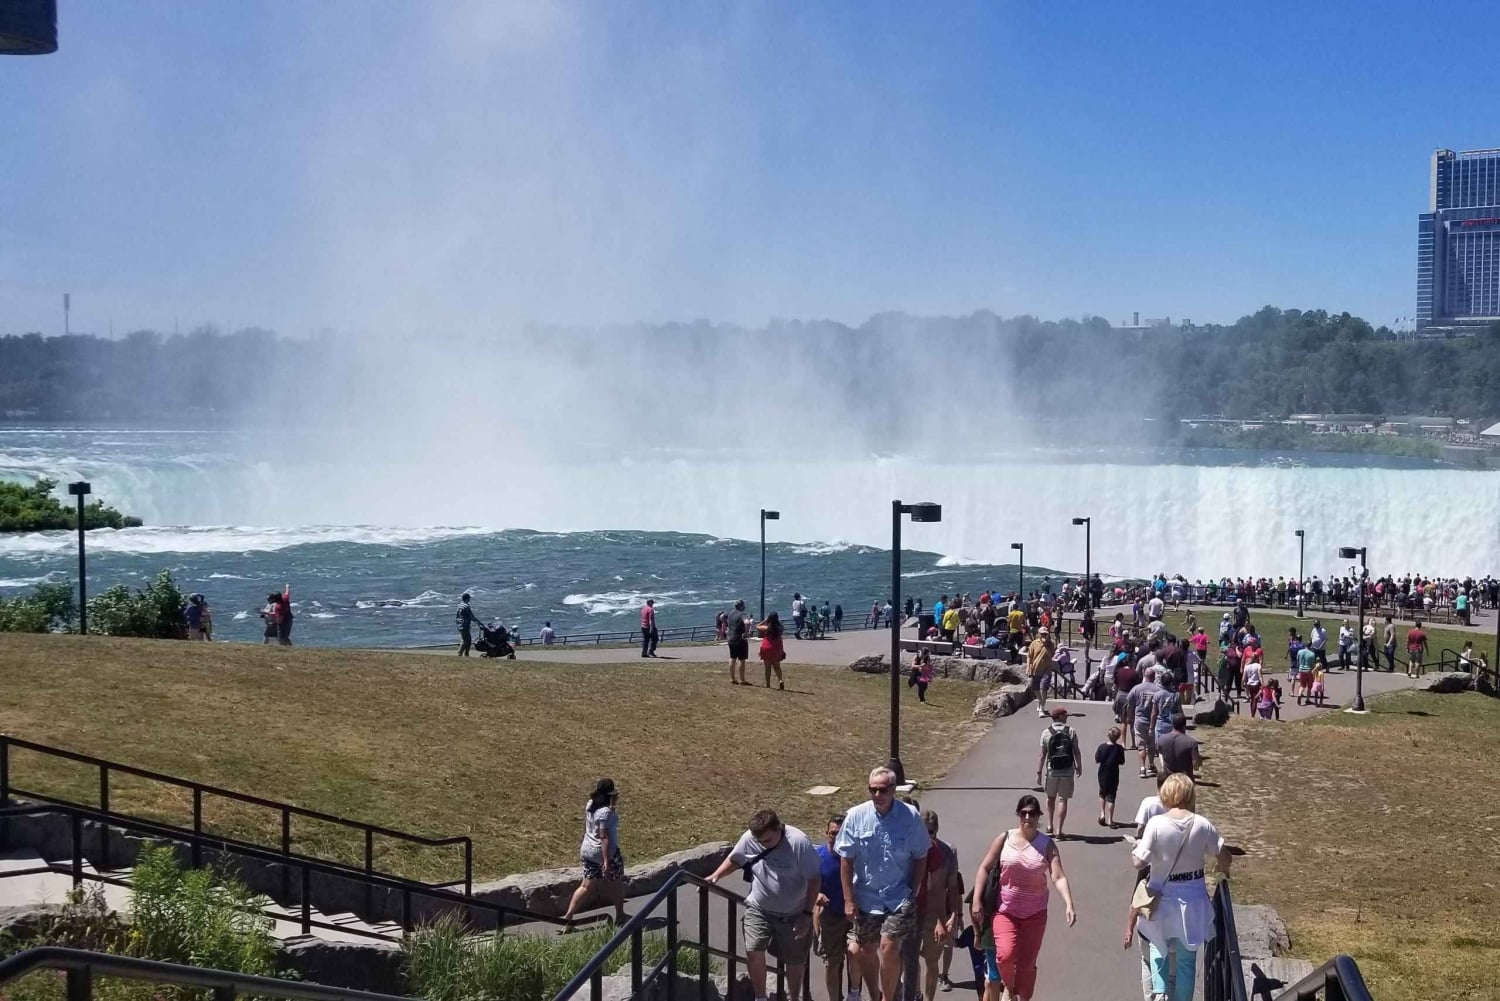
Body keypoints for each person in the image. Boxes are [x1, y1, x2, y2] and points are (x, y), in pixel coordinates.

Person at [1131, 774, 1233, 1001]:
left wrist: (1138, 848)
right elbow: (1224, 855)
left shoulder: (1156, 823)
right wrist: (1223, 868)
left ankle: (1160, 992)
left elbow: (1139, 862)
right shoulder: (1202, 824)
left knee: (1158, 944)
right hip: (1193, 899)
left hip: (1162, 897)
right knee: (1187, 961)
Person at [706, 810, 822, 1001]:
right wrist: (716, 875)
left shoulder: (798, 842)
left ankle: (795, 997)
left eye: (767, 841)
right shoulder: (751, 838)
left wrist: (807, 914)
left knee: (795, 960)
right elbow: (736, 859)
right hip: (759, 907)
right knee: (754, 949)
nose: (762, 845)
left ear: (779, 829)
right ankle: (760, 997)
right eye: (759, 841)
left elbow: (814, 879)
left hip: (794, 911)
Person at [969, 796, 1076, 1001]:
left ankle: (1022, 996)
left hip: (1034, 915)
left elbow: (1058, 876)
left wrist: (1069, 903)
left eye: (1032, 813)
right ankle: (1009, 987)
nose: (1028, 817)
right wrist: (976, 900)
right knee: (1005, 955)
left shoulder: (1047, 845)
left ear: (1038, 816)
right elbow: (984, 867)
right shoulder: (1004, 838)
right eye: (1023, 813)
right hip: (1005, 911)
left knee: (1027, 965)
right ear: (1018, 814)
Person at [836, 767, 930, 1001]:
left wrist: (915, 889)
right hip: (866, 896)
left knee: (888, 946)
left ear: (893, 790)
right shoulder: (856, 816)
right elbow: (846, 860)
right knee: (867, 951)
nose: (878, 795)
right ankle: (875, 994)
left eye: (883, 790)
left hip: (898, 896)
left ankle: (889, 998)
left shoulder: (910, 816)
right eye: (873, 790)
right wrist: (848, 900)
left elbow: (921, 855)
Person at [563, 778, 627, 924]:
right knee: (616, 883)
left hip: (588, 851)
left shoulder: (590, 804)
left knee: (585, 886)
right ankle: (620, 914)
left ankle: (567, 918)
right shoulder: (605, 813)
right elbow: (603, 837)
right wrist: (606, 861)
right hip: (605, 853)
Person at [813, 815, 859, 1001]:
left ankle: (854, 994)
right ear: (827, 834)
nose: (836, 837)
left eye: (841, 833)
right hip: (830, 917)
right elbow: (806, 886)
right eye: (833, 833)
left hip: (853, 915)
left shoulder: (854, 856)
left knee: (855, 952)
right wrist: (817, 896)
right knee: (833, 963)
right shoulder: (818, 858)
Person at [1034, 707, 1081, 838]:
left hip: (1052, 770)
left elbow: (1042, 755)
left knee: (1050, 798)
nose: (1067, 717)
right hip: (1067, 770)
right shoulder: (1071, 731)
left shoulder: (1046, 733)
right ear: (1060, 716)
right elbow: (1076, 751)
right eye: (1066, 715)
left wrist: (1039, 771)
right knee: (1063, 799)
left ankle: (1049, 826)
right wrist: (1079, 766)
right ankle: (1059, 830)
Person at [1127, 666, 1164, 777]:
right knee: (1151, 745)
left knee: (1141, 746)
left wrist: (1130, 717)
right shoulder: (1158, 690)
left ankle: (1142, 768)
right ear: (1154, 677)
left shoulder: (1136, 688)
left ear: (1144, 675)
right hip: (1153, 721)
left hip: (1140, 720)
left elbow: (1130, 704)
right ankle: (1151, 765)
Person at [1154, 714, 1201, 780]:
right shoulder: (1191, 742)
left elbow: (1160, 753)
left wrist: (1163, 767)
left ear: (1172, 724)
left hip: (1169, 779)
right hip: (1185, 780)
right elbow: (1196, 766)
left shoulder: (1162, 739)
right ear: (1184, 726)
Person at [1095, 725, 1126, 828]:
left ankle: (1102, 813)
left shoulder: (1101, 747)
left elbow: (1097, 759)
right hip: (1114, 773)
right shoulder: (1119, 748)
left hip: (1102, 773)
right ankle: (1110, 819)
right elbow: (1122, 762)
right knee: (1111, 796)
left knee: (1102, 793)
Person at [1027, 629, 1056, 719]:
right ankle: (1040, 701)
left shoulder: (1050, 644)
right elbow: (1029, 656)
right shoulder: (1034, 643)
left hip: (1046, 670)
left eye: (1045, 634)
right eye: (1042, 634)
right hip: (1036, 669)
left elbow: (1051, 655)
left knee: (1043, 688)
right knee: (1036, 689)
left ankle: (1042, 709)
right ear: (1039, 634)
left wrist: (1046, 645)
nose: (1044, 635)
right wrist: (1028, 667)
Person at [759, 611, 787, 690]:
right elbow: (783, 628)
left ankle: (768, 684)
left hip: (767, 648)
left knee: (767, 668)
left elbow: (757, 626)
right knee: (777, 667)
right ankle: (780, 680)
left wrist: (765, 620)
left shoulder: (767, 628)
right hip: (777, 648)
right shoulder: (779, 628)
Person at [726, 600, 752, 685]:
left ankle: (732, 678)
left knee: (732, 658)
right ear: (742, 606)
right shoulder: (742, 614)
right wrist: (746, 632)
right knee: (741, 659)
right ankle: (742, 680)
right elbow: (747, 622)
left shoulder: (730, 614)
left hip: (731, 638)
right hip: (740, 639)